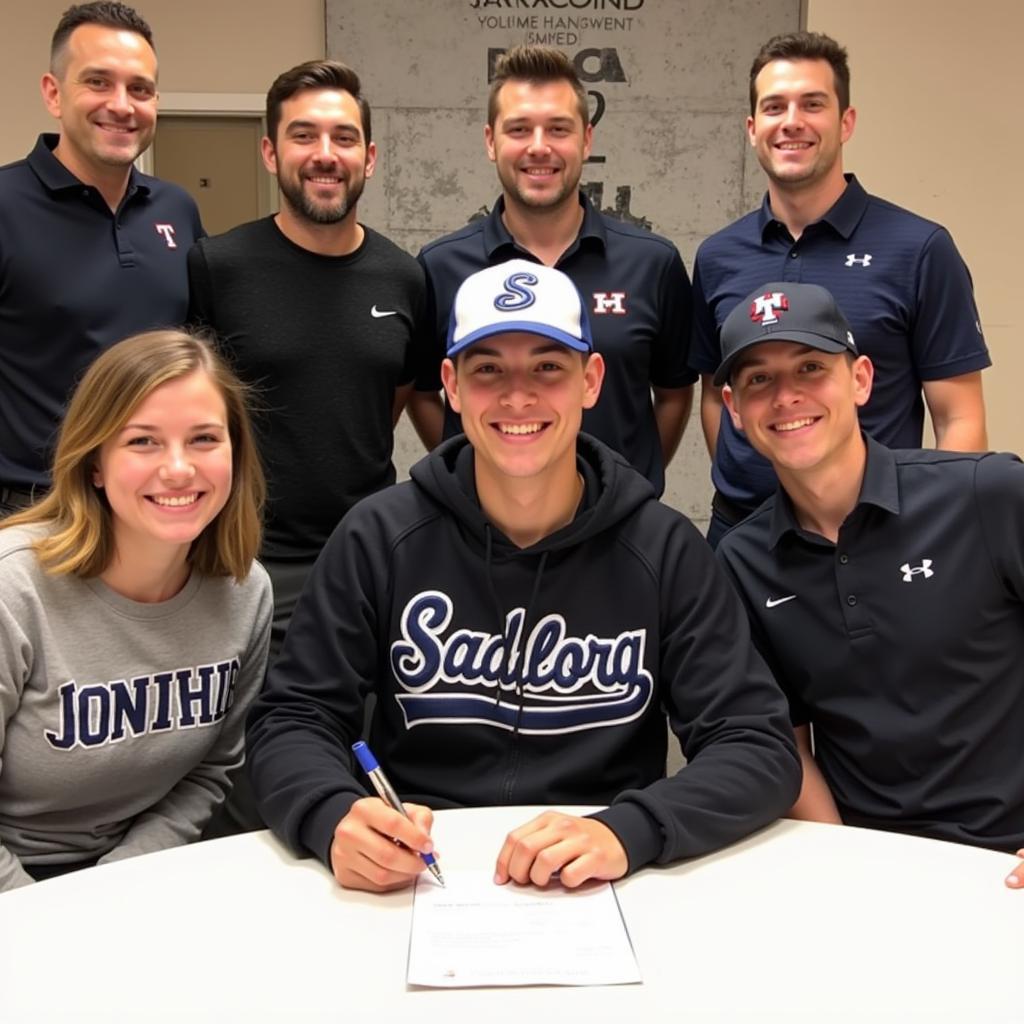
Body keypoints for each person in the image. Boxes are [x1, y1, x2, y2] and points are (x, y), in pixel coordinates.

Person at [247, 259, 800, 893]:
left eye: (547, 367)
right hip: (421, 877)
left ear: (590, 380)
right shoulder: (378, 536)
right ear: (451, 385)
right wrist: (331, 813)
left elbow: (757, 746)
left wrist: (630, 829)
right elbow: (294, 718)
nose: (517, 397)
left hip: (605, 877)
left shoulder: (664, 546)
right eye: (488, 370)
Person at [713, 281, 1024, 890]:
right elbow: (784, 741)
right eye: (759, 380)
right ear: (734, 408)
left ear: (860, 379)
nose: (786, 397)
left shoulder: (988, 493)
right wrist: (843, 864)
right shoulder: (742, 559)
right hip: (872, 864)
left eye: (810, 368)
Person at [187, 59, 429, 835]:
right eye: (304, 135)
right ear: (270, 153)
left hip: (369, 562)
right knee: (252, 769)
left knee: (364, 756)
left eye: (343, 137)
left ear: (370, 156)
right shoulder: (218, 268)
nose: (325, 152)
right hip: (248, 561)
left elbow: (390, 400)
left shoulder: (404, 275)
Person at [689, 31, 990, 547]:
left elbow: (959, 417)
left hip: (874, 535)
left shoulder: (919, 249)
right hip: (742, 537)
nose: (792, 121)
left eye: (813, 104)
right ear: (752, 127)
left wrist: (936, 532)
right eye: (774, 106)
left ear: (845, 121)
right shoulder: (718, 256)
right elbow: (717, 399)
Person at [0, 330, 272, 892]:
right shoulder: (14, 587)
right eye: (143, 442)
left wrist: (113, 891)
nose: (178, 469)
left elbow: (212, 770)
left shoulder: (246, 591)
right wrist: (40, 916)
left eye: (203, 439)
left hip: (139, 873)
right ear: (94, 462)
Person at [413, 45, 694, 497]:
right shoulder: (441, 266)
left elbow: (675, 392)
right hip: (483, 528)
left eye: (558, 129)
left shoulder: (652, 263)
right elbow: (425, 393)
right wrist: (479, 459)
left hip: (619, 533)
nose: (539, 147)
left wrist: (628, 480)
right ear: (491, 141)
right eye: (519, 129)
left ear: (586, 139)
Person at [0, 2, 204, 514]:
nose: (121, 104)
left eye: (140, 89)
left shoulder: (177, 209)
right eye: (98, 82)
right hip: (35, 512)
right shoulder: (4, 205)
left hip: (155, 505)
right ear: (53, 92)